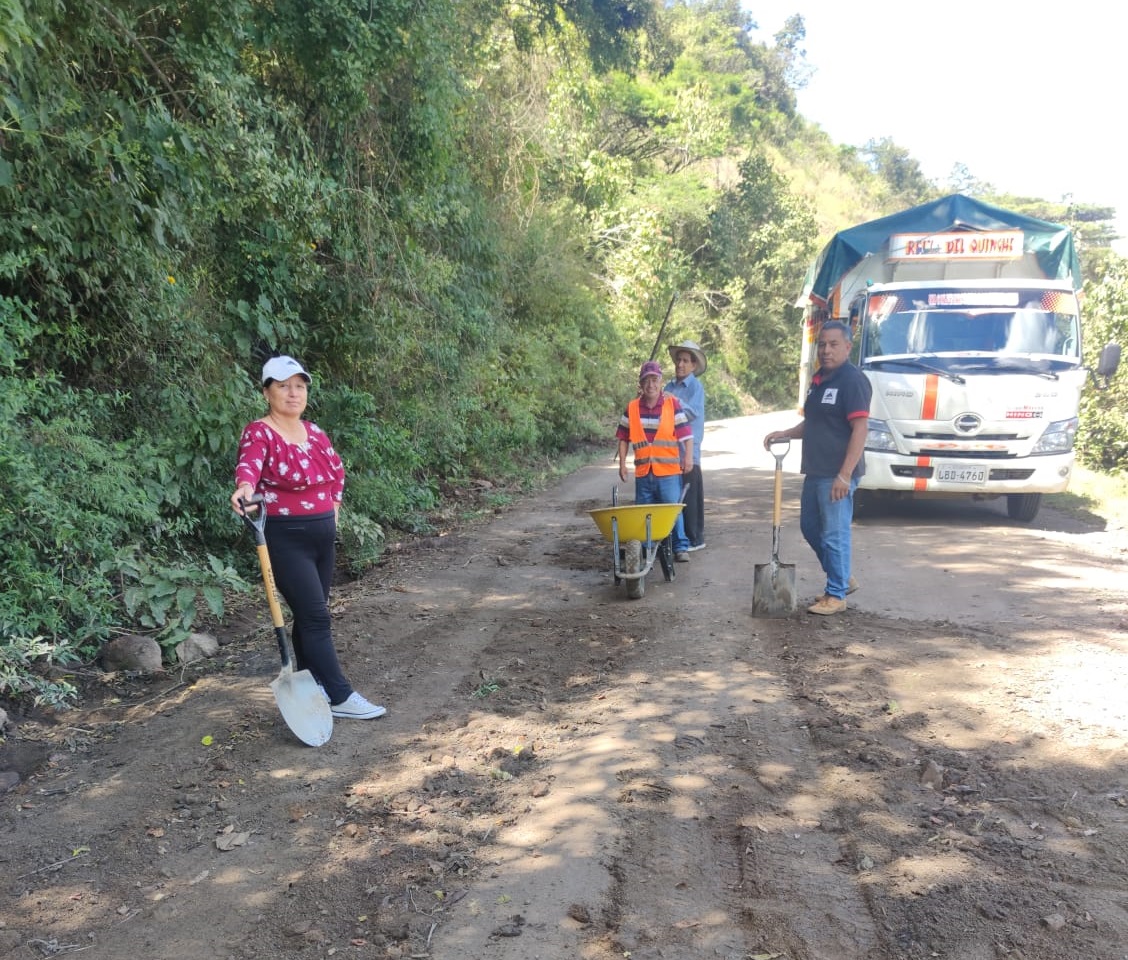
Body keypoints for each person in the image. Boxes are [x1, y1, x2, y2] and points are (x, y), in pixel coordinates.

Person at [230, 355, 386, 720]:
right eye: (283, 386)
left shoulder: (315, 433)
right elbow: (249, 465)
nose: (293, 393)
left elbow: (336, 472)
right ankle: (340, 695)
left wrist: (334, 507)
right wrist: (245, 487)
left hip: (321, 538)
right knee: (316, 616)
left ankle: (314, 684)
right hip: (285, 538)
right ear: (267, 392)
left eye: (299, 386)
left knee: (309, 614)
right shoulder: (260, 432)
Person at [763, 321, 871, 615]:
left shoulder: (853, 381)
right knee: (810, 527)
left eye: (833, 344)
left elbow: (860, 428)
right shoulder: (820, 379)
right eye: (822, 344)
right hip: (815, 470)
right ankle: (842, 576)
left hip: (837, 473)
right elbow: (814, 422)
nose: (826, 350)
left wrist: (844, 475)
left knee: (834, 534)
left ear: (847, 347)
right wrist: (785, 433)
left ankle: (836, 594)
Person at [616, 360, 694, 561]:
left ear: (660, 382)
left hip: (668, 472)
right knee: (644, 513)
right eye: (646, 380)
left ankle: (680, 548)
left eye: (654, 380)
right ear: (641, 384)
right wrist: (622, 464)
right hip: (644, 473)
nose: (650, 385)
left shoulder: (671, 404)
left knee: (672, 510)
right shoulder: (632, 408)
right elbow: (623, 438)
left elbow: (687, 436)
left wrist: (688, 458)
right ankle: (646, 549)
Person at [665, 340, 707, 551]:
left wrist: (673, 401)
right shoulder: (669, 386)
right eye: (678, 360)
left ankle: (695, 539)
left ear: (693, 365)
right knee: (674, 496)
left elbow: (692, 412)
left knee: (690, 495)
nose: (680, 364)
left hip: (689, 451)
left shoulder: (695, 387)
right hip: (669, 452)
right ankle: (676, 538)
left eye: (685, 361)